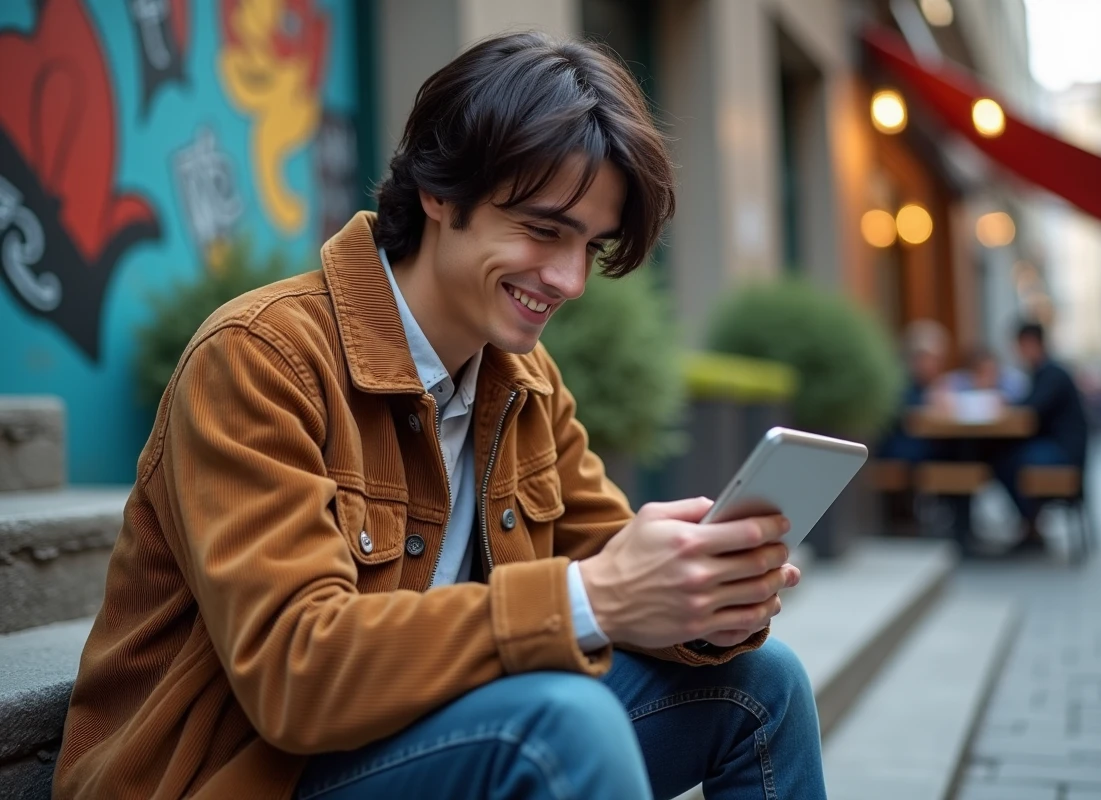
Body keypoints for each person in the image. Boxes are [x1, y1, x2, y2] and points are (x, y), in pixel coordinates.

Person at [54, 33, 826, 800]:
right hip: (244, 775)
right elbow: (297, 675)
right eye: (543, 229)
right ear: (440, 191)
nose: (568, 279)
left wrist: (701, 605)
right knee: (563, 724)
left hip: (424, 747)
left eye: (590, 247)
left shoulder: (524, 382)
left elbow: (607, 559)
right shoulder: (260, 357)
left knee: (764, 684)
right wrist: (592, 596)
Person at [987, 321, 1089, 554]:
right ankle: (1030, 522)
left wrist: (1005, 404)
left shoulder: (1052, 374)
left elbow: (1031, 409)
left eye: (1020, 346)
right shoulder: (1043, 373)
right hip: (1057, 448)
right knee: (1004, 456)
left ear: (1031, 343)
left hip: (1063, 454)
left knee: (1007, 460)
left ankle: (1030, 524)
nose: (1018, 352)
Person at [877, 319, 950, 463]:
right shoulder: (898, 383)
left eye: (941, 359)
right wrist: (928, 402)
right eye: (933, 358)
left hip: (922, 449)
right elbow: (907, 417)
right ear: (916, 357)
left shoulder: (932, 385)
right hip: (902, 452)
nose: (938, 365)